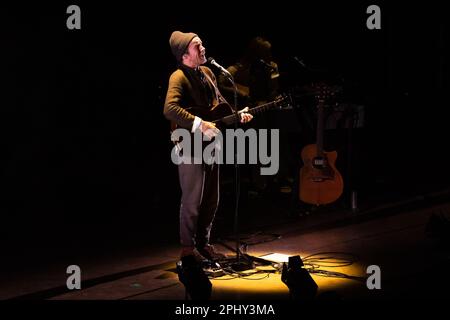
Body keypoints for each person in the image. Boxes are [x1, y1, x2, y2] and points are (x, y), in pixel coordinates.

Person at [163, 31, 253, 262]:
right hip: (189, 144)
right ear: (184, 54)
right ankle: (187, 249)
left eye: (202, 43)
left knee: (212, 198)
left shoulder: (207, 72)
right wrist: (199, 124)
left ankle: (203, 244)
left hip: (211, 144)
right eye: (197, 46)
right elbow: (170, 109)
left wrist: (237, 115)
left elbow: (219, 106)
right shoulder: (178, 77)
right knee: (193, 199)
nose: (203, 48)